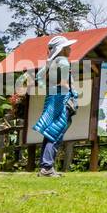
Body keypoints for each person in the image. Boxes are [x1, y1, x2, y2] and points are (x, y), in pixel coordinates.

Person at [33, 35, 78, 178]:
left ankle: (46, 167)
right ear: (62, 49)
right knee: (55, 132)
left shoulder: (50, 62)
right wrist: (72, 92)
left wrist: (48, 87)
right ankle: (47, 168)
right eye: (68, 47)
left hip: (52, 97)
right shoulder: (64, 62)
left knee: (50, 131)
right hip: (61, 99)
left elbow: (38, 78)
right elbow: (64, 83)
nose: (70, 49)